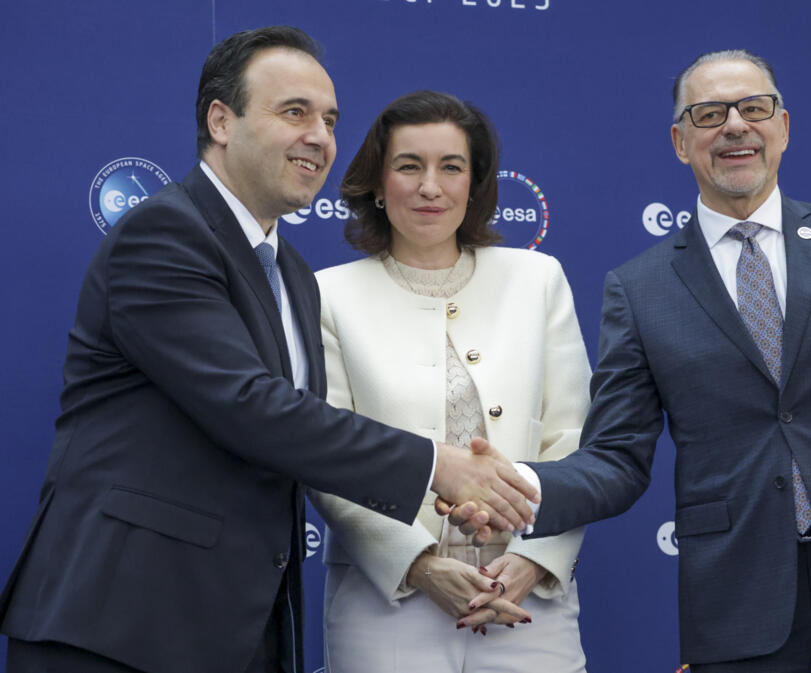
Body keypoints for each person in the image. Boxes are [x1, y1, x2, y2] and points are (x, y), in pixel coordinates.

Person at [0, 27, 537, 673]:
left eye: (330, 119)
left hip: (237, 632)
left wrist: (450, 508)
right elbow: (250, 406)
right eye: (294, 112)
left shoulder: (294, 275)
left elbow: (301, 440)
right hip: (118, 627)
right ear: (221, 121)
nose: (320, 136)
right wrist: (437, 466)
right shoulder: (165, 233)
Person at [466, 50, 811, 672]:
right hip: (738, 596)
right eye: (710, 113)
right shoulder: (640, 287)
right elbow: (618, 456)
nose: (735, 125)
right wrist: (524, 484)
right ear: (681, 142)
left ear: (783, 128)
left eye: (754, 108)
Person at [308, 90, 591, 672]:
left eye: (451, 168)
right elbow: (326, 458)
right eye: (409, 166)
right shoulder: (327, 295)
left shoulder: (537, 280)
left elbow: (575, 442)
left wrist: (532, 560)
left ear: (476, 185)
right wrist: (418, 564)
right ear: (378, 186)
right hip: (387, 601)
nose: (430, 187)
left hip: (525, 600)